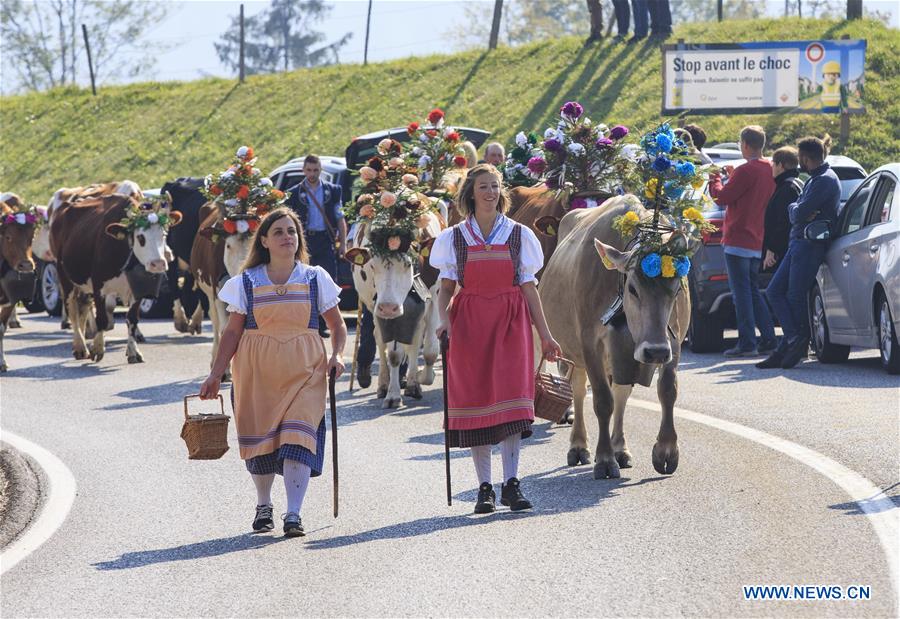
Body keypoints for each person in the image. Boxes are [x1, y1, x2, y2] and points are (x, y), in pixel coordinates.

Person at [199, 208, 347, 537]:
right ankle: (263, 504)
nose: (286, 237)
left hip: (306, 372)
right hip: (256, 373)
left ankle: (293, 514)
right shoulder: (246, 282)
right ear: (264, 241)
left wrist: (337, 355)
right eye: (278, 232)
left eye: (291, 231)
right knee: (261, 445)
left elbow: (337, 326)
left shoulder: (315, 278)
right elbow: (232, 333)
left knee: (299, 439)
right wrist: (215, 374)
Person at [430, 163, 562, 514]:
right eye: (483, 187)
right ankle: (484, 488)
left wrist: (546, 335)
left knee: (513, 403)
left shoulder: (519, 235)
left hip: (510, 324)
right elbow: (445, 289)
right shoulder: (455, 238)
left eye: (494, 186)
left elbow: (530, 289)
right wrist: (444, 321)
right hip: (469, 325)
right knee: (477, 405)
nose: (490, 193)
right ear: (471, 194)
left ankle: (512, 484)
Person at [758, 135, 840, 370]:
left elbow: (797, 214)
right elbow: (798, 211)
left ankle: (797, 340)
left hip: (808, 245)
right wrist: (797, 209)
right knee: (774, 291)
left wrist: (796, 209)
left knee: (794, 295)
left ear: (805, 158)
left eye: (800, 157)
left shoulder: (824, 180)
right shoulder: (815, 179)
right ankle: (792, 339)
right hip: (798, 244)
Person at [708, 125, 777, 357]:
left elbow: (721, 197)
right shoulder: (769, 168)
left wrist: (715, 178)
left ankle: (747, 343)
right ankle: (769, 338)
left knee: (741, 294)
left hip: (738, 238)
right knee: (753, 291)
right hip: (757, 238)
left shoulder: (745, 171)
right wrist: (731, 176)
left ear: (745, 145)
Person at [286, 154, 347, 338]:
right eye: (309, 170)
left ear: (321, 170)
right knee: (303, 282)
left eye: (316, 170)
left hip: (325, 240)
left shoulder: (333, 191)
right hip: (304, 242)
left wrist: (343, 244)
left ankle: (323, 324)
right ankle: (307, 322)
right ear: (303, 170)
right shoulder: (294, 193)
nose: (312, 174)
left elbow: (340, 218)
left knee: (327, 282)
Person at [762, 146, 804, 273]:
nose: (772, 167)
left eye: (773, 163)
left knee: (772, 285)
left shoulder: (787, 189)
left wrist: (772, 249)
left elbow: (783, 223)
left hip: (780, 254)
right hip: (787, 250)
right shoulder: (796, 184)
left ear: (780, 165)